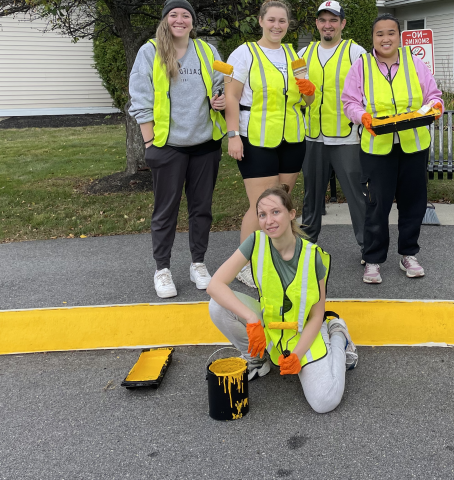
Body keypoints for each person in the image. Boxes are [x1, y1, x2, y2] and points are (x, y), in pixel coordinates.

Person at [207, 185, 358, 414]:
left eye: (276, 212)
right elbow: (215, 285)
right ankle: (257, 360)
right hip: (270, 326)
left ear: (291, 213)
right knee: (218, 305)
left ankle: (338, 335)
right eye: (262, 215)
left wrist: (296, 355)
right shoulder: (255, 242)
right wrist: (251, 319)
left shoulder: (313, 256)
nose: (269, 221)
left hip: (303, 332)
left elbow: (317, 315)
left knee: (325, 401)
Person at [129, 0, 226, 298]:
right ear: (165, 20)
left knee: (201, 210)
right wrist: (149, 143)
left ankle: (198, 264)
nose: (180, 20)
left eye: (186, 16)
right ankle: (162, 269)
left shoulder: (208, 51)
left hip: (205, 145)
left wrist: (219, 99)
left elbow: (222, 84)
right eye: (174, 15)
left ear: (193, 23)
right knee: (165, 211)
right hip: (168, 146)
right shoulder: (150, 52)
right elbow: (140, 98)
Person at [342, 14, 443, 284]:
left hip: (414, 145)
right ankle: (373, 259)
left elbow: (433, 95)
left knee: (413, 203)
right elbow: (349, 101)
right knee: (377, 204)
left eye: (391, 33)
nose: (385, 38)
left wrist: (436, 107)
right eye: (379, 34)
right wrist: (361, 116)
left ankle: (409, 254)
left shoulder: (415, 62)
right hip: (377, 147)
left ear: (399, 37)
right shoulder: (361, 65)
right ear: (372, 38)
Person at [225, 0, 316, 289]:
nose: (277, 26)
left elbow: (308, 99)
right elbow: (231, 97)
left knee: (280, 205)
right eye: (272, 20)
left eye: (283, 21)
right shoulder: (245, 53)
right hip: (256, 140)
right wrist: (232, 134)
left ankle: (277, 259)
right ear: (261, 21)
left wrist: (310, 92)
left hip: (292, 139)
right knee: (260, 206)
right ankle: (244, 266)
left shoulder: (294, 55)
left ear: (289, 25)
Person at [298, 0, 366, 256]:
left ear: (342, 23)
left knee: (357, 195)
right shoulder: (304, 54)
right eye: (323, 20)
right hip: (313, 135)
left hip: (346, 136)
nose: (328, 25)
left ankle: (368, 247)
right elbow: (300, 95)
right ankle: (306, 246)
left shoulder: (355, 52)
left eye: (333, 20)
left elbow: (366, 90)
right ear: (316, 23)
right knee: (311, 197)